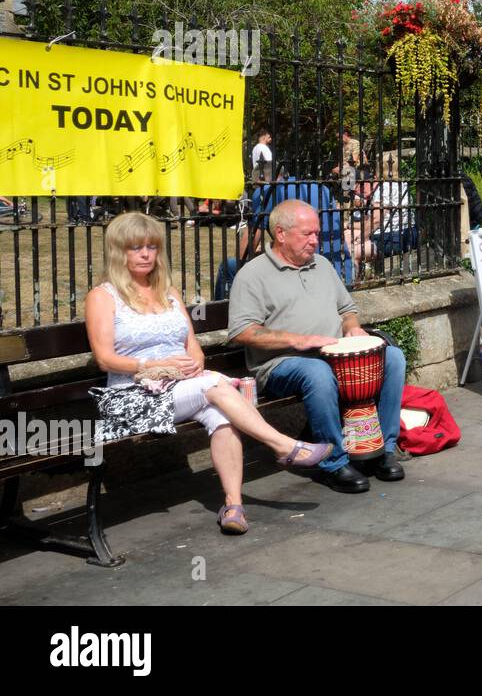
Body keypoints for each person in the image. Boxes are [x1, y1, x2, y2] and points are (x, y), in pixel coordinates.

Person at [85, 212, 330, 535]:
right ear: (119, 252)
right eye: (135, 248)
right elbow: (105, 359)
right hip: (131, 397)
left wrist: (194, 362)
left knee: (221, 414)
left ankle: (233, 505)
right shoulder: (103, 297)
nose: (145, 254)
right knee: (214, 386)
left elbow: (193, 346)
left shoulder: (168, 293)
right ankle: (283, 445)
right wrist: (152, 366)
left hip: (179, 387)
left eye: (151, 247)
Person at [228, 199, 405, 494]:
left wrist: (353, 329)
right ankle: (334, 462)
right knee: (318, 374)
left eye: (317, 234)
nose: (315, 241)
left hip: (333, 354)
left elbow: (347, 310)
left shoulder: (321, 265)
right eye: (307, 234)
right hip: (281, 363)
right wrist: (297, 340)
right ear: (281, 234)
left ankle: (382, 450)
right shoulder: (252, 275)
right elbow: (242, 332)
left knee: (394, 358)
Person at [214, 166, 353, 299]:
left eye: (255, 186)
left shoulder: (268, 191)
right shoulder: (321, 188)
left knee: (229, 267)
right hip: (342, 270)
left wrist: (245, 260)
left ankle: (223, 317)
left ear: (260, 180)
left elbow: (247, 246)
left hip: (306, 273)